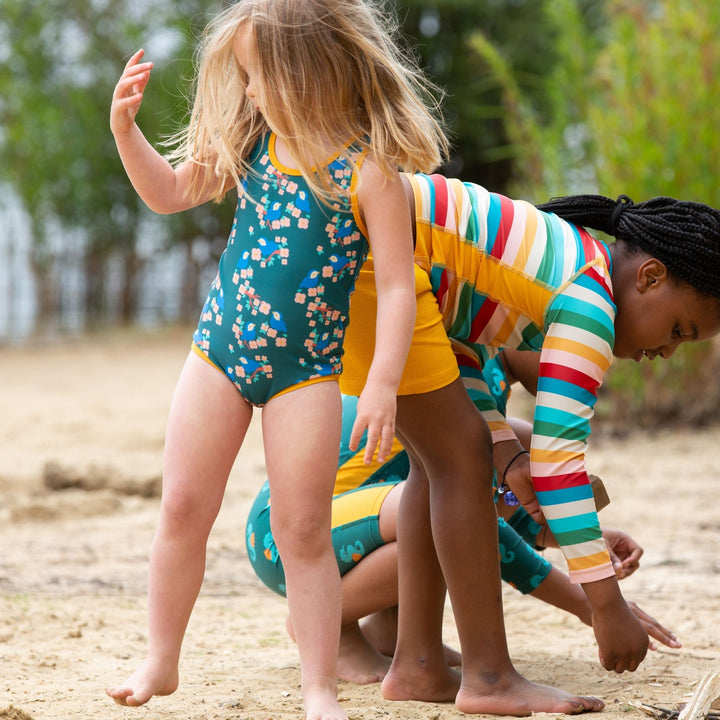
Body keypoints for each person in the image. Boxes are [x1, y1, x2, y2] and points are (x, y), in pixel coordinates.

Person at [106, 2, 449, 717]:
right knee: (182, 508)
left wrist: (383, 381)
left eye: (255, 75)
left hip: (308, 373)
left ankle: (318, 687)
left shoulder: (369, 170)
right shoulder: (251, 139)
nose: (249, 90)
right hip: (220, 352)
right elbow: (169, 193)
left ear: (303, 73)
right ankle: (160, 659)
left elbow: (394, 287)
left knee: (303, 531)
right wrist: (125, 133)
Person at [339, 176, 720, 715]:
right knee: (460, 461)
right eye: (679, 330)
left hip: (364, 254)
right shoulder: (590, 303)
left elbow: (458, 344)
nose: (668, 351)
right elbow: (559, 465)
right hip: (383, 260)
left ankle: (418, 664)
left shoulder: (564, 264)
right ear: (650, 277)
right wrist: (607, 605)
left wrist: (504, 446)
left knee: (441, 459)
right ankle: (489, 677)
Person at [246, 349, 681, 684]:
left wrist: (581, 536)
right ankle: (325, 625)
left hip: (345, 524)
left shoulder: (484, 379)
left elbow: (493, 502)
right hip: (288, 533)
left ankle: (388, 629)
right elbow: (475, 523)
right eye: (560, 351)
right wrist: (586, 603)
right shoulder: (458, 375)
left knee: (450, 499)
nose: (577, 373)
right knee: (448, 515)